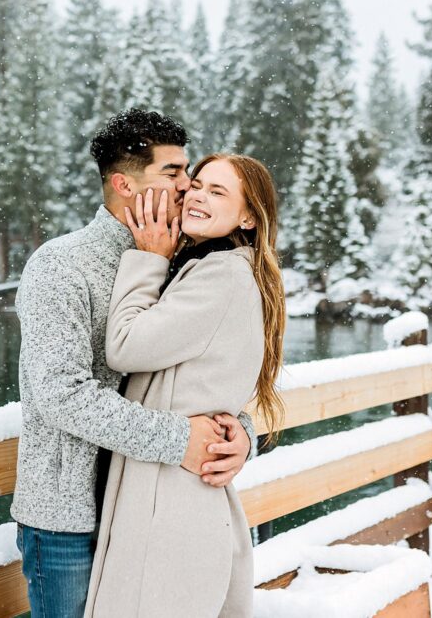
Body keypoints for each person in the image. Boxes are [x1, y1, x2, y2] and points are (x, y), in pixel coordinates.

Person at [12, 110, 258, 617]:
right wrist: (180, 441)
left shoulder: (185, 261)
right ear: (124, 184)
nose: (188, 186)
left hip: (150, 507)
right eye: (173, 174)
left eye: (188, 171)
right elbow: (63, 395)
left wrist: (240, 435)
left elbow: (210, 373)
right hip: (70, 518)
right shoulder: (60, 266)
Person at [85, 153, 287, 617]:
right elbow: (212, 382)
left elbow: (125, 346)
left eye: (218, 192)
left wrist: (147, 258)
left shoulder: (220, 274)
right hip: (181, 492)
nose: (196, 195)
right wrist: (241, 430)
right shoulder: (213, 266)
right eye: (196, 184)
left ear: (248, 217)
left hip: (171, 503)